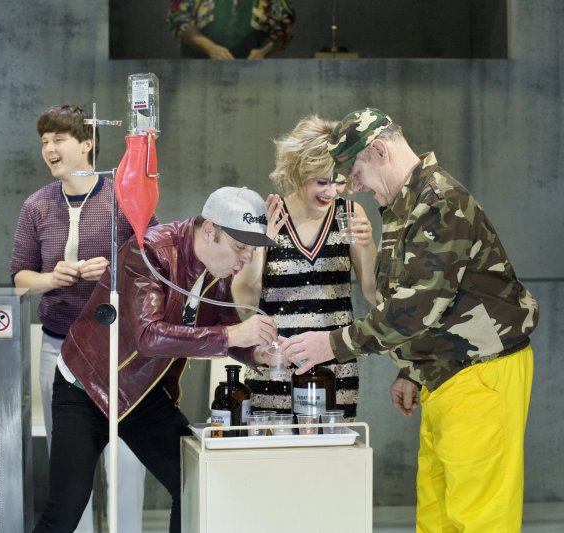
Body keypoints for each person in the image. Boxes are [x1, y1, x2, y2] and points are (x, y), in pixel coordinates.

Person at [284, 108, 539, 531]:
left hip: (480, 374)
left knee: (479, 518)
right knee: (437, 515)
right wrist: (411, 370)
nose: (355, 187)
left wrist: (329, 345)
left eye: (357, 174)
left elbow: (415, 309)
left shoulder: (440, 203)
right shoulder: (406, 205)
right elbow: (413, 296)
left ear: (380, 150)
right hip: (445, 374)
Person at [33, 186, 283, 533]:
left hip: (143, 391)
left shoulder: (218, 270)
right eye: (240, 247)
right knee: (66, 508)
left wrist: (256, 352)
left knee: (193, 480)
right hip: (87, 385)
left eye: (252, 251)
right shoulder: (149, 251)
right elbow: (148, 336)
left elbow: (223, 323)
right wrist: (232, 336)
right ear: (210, 230)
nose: (245, 260)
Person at [10, 104, 156, 532]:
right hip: (58, 350)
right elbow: (19, 278)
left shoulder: (123, 198)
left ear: (87, 144)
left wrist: (112, 271)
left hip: (119, 352)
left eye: (59, 140)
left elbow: (155, 264)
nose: (49, 149)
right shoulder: (36, 206)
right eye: (44, 142)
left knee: (125, 462)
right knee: (68, 467)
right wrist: (50, 279)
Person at [233, 115, 376, 419]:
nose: (331, 192)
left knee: (333, 448)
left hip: (335, 371)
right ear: (298, 171)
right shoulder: (267, 215)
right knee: (275, 448)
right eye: (321, 182)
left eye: (339, 181)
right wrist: (260, 245)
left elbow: (374, 293)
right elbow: (244, 303)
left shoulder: (350, 213)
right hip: (275, 370)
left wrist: (366, 246)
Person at [167, 0, 295, 60]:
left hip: (248, 73)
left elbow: (282, 30)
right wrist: (210, 48)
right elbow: (179, 20)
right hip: (197, 70)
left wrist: (263, 51)